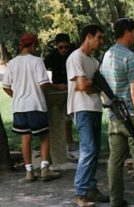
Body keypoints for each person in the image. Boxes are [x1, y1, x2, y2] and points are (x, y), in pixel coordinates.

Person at [101, 18, 134, 207]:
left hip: (115, 117)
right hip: (132, 115)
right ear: (128, 32)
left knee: (115, 161)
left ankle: (115, 200)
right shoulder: (130, 57)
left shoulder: (107, 55)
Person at [2, 32, 61, 182]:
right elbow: (43, 83)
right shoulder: (36, 61)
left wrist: (16, 96)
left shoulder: (12, 63)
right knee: (44, 137)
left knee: (25, 137)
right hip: (36, 104)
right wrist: (57, 86)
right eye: (36, 45)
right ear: (33, 45)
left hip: (19, 106)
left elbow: (6, 86)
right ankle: (44, 169)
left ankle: (29, 172)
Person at [66, 25, 109, 207]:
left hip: (95, 108)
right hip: (82, 108)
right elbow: (82, 86)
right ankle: (80, 193)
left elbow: (93, 85)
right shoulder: (76, 57)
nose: (101, 41)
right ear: (88, 36)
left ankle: (91, 189)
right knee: (88, 150)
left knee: (94, 151)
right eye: (98, 37)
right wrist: (94, 85)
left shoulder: (93, 62)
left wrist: (92, 84)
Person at [44, 33, 79, 161]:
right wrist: (56, 86)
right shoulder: (51, 57)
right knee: (63, 119)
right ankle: (65, 147)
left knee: (71, 119)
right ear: (56, 46)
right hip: (58, 93)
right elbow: (41, 73)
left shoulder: (74, 54)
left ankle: (70, 146)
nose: (64, 50)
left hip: (74, 91)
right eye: (61, 47)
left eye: (66, 47)